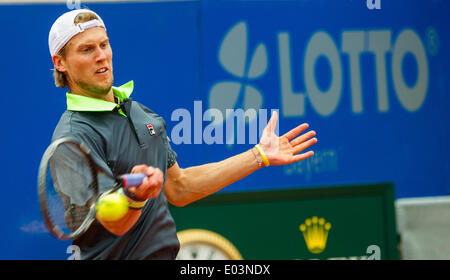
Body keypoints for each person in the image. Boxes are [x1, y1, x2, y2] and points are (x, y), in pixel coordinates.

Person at [49, 8, 318, 260]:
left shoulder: (140, 113)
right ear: (60, 63)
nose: (101, 56)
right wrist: (136, 196)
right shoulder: (72, 137)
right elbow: (112, 223)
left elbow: (180, 187)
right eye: (86, 49)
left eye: (104, 44)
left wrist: (259, 155)